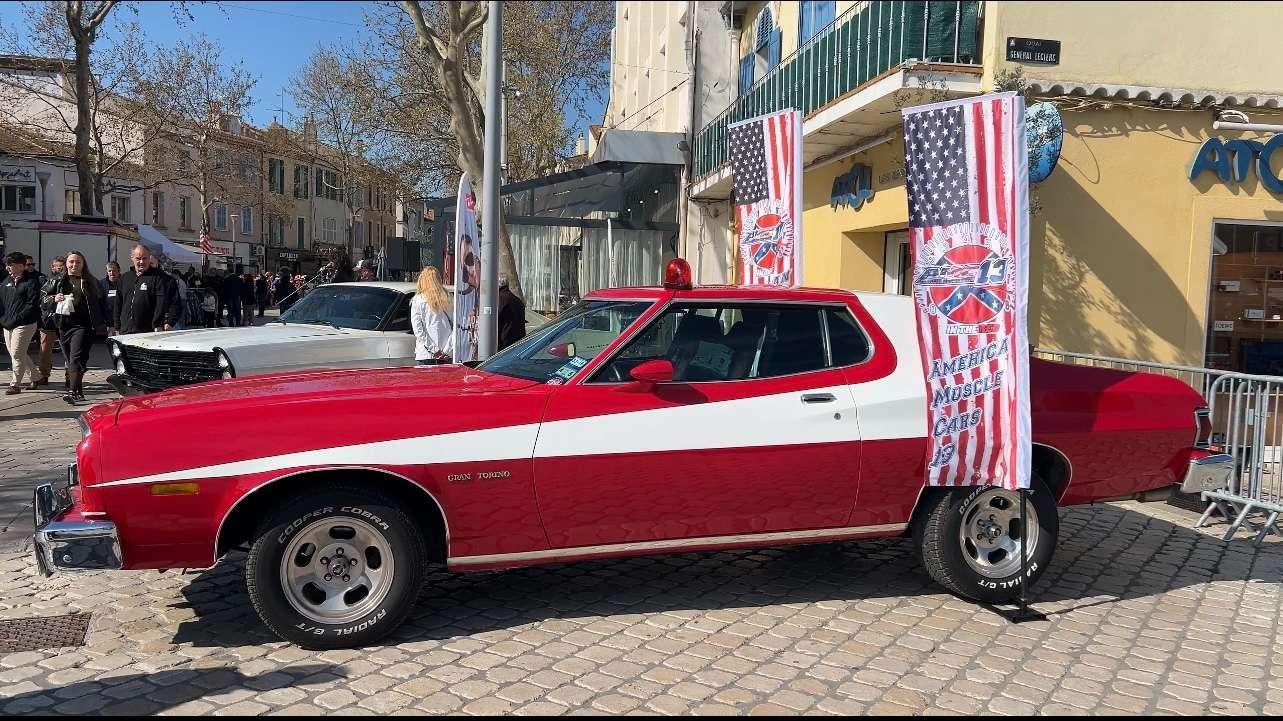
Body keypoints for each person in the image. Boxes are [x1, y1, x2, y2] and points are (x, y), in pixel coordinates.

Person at [44, 250, 105, 403]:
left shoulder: (90, 281)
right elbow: (42, 300)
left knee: (75, 358)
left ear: (83, 264)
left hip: (84, 326)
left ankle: (71, 391)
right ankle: (79, 390)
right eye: (71, 262)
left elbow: (102, 303)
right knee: (77, 360)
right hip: (64, 325)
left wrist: (105, 323)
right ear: (66, 263)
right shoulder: (57, 280)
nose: (74, 265)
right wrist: (53, 298)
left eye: (78, 262)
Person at [1, 251, 41, 394]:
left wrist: (17, 319)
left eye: (10, 265)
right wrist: (3, 319)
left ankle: (15, 384)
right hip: (8, 324)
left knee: (17, 353)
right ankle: (36, 377)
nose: (7, 267)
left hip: (25, 324)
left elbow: (31, 305)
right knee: (16, 353)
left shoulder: (31, 282)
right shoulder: (6, 282)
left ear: (20, 266)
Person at [115, 244, 177, 335]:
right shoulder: (125, 278)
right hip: (126, 331)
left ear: (149, 258)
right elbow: (118, 304)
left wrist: (166, 323)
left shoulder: (159, 278)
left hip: (149, 331)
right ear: (132, 258)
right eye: (138, 258)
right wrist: (117, 326)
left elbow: (164, 303)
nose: (141, 262)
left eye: (145, 258)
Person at [410, 266, 453, 365]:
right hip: (446, 355)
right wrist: (446, 350)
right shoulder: (449, 297)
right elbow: (457, 326)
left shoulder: (417, 300)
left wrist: (434, 350)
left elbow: (418, 331)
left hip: (425, 354)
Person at [34, 255, 65, 388]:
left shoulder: (71, 280)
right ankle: (43, 376)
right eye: (58, 266)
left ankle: (70, 377)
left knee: (68, 351)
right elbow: (41, 300)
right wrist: (53, 298)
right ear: (52, 267)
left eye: (62, 266)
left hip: (65, 320)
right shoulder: (47, 281)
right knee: (45, 351)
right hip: (49, 320)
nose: (60, 269)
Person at [496, 275, 527, 351]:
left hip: (504, 344)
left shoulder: (500, 299)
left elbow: (495, 321)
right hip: (518, 343)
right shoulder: (517, 300)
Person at [102, 261, 121, 335]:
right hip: (108, 322)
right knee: (110, 343)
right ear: (107, 272)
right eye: (109, 271)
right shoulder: (102, 284)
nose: (112, 273)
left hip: (121, 321)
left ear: (119, 271)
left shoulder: (124, 282)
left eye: (114, 271)